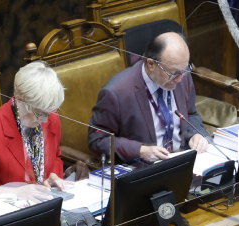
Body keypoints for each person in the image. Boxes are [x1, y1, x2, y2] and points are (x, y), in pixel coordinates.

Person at [88, 32, 211, 163]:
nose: (180, 79)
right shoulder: (116, 93)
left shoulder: (181, 74)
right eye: (173, 74)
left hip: (185, 160)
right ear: (151, 64)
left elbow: (191, 114)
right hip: (145, 168)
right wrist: (141, 150)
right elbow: (98, 140)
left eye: (185, 70)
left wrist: (195, 134)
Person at [0, 61, 70, 196]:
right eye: (39, 113)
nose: (45, 120)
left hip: (44, 201)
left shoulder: (51, 116)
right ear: (19, 101)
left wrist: (53, 175)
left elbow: (56, 156)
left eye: (49, 112)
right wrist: (14, 192)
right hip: (7, 210)